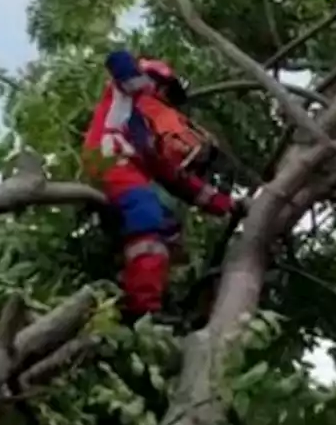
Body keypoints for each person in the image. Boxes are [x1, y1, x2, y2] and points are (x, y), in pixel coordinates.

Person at [82, 50, 243, 319]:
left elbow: (179, 181)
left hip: (126, 173)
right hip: (109, 160)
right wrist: (139, 82)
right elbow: (117, 58)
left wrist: (227, 205)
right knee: (147, 212)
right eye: (167, 94)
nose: (169, 106)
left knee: (168, 229)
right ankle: (142, 307)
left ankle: (138, 289)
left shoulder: (147, 144)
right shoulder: (126, 96)